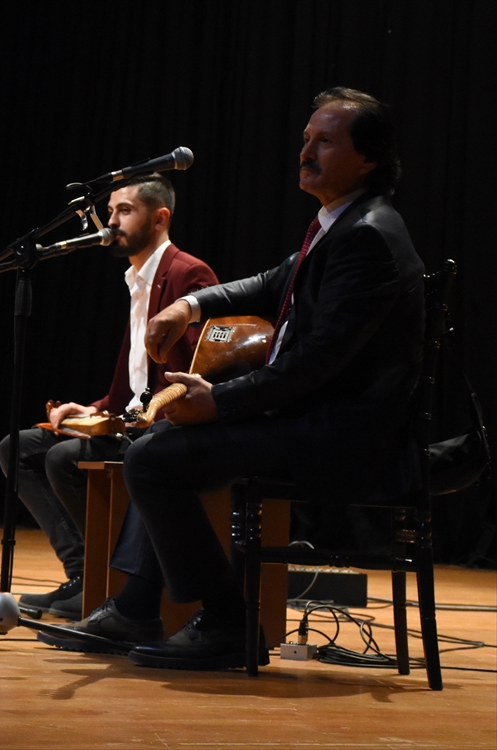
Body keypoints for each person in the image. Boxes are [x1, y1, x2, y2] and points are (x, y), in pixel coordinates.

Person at [102, 87, 423, 670]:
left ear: (368, 159)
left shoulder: (370, 236)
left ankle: (226, 621)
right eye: (306, 139)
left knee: (152, 459)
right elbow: (270, 282)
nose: (306, 151)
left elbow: (313, 366)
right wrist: (189, 307)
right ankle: (142, 605)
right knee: (154, 447)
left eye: (324, 141)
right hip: (312, 418)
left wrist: (220, 403)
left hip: (341, 435)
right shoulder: (338, 224)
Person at [0, 173, 218, 625]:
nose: (110, 221)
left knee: (62, 459)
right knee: (17, 449)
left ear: (159, 218)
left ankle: (106, 579)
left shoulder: (187, 273)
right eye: (110, 210)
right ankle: (83, 577)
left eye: (123, 211)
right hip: (129, 418)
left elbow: (198, 366)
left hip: (162, 424)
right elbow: (135, 378)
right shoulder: (136, 278)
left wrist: (140, 411)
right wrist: (95, 409)